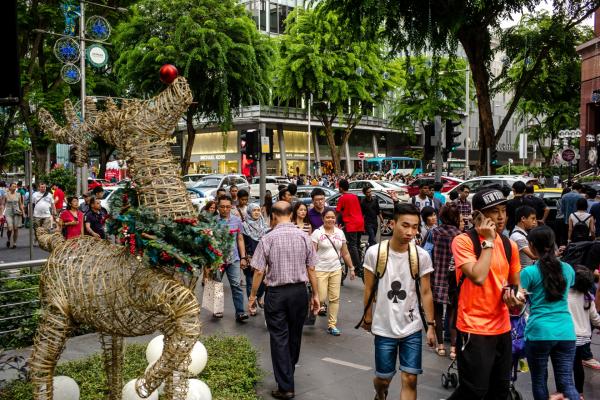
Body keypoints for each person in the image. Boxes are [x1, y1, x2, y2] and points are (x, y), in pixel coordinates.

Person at [448, 188, 522, 400]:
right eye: (493, 212)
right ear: (477, 216)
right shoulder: (463, 241)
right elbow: (478, 276)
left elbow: (515, 285)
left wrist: (515, 298)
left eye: (503, 210)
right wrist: (488, 241)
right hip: (474, 328)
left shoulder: (510, 245)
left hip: (502, 327)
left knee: (499, 391)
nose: (500, 217)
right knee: (474, 391)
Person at [360, 203, 436, 400]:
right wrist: (367, 317)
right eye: (405, 225)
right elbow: (368, 289)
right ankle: (380, 393)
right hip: (384, 327)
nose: (410, 232)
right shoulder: (374, 253)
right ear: (392, 224)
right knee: (383, 379)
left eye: (415, 226)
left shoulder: (421, 256)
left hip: (412, 326)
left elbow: (426, 291)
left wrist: (431, 325)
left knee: (410, 378)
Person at [248, 201, 319, 400]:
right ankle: (288, 374)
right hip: (299, 293)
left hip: (276, 294)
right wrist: (315, 295)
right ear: (290, 214)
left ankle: (286, 385)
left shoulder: (267, 239)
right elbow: (311, 269)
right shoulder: (304, 237)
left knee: (279, 338)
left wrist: (253, 296)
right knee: (295, 335)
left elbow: (259, 271)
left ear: (274, 216)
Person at [520, 225, 578, 400]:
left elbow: (519, 298)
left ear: (531, 245)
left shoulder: (529, 272)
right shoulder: (568, 269)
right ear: (553, 244)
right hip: (566, 331)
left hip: (539, 331)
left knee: (539, 381)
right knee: (567, 383)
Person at [311, 209, 355, 336]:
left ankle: (332, 325)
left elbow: (345, 252)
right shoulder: (317, 233)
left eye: (333, 217)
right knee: (322, 297)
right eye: (328, 217)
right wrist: (310, 271)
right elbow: (312, 254)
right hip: (320, 270)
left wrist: (351, 267)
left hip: (336, 269)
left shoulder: (340, 233)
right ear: (323, 218)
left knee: (335, 298)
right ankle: (313, 301)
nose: (330, 220)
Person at [430, 203, 462, 360]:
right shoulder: (459, 235)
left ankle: (441, 346)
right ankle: (454, 349)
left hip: (436, 276)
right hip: (453, 280)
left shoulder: (434, 232)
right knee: (452, 313)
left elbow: (425, 252)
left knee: (437, 312)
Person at [568, 265, 600, 399]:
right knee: (578, 366)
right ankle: (580, 393)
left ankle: (568, 392)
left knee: (567, 367)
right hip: (584, 338)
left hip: (569, 337)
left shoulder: (565, 296)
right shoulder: (588, 297)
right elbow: (595, 319)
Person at [216, 195, 249, 322]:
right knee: (217, 285)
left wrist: (243, 257)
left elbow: (240, 239)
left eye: (228, 207)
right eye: (222, 207)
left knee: (236, 285)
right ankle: (217, 310)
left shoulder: (237, 220)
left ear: (231, 207)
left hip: (234, 258)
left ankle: (240, 312)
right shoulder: (213, 221)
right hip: (217, 260)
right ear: (218, 207)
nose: (225, 209)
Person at [242, 203, 268, 315]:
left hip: (263, 257)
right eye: (254, 210)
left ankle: (258, 296)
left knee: (263, 282)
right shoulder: (244, 226)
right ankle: (251, 303)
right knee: (250, 281)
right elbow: (242, 242)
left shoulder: (264, 225)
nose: (257, 212)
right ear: (249, 212)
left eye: (258, 210)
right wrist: (244, 257)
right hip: (250, 257)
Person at [336, 179, 365, 277]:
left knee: (352, 245)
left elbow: (338, 211)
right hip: (360, 222)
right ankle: (359, 263)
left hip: (351, 223)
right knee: (356, 245)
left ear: (340, 188)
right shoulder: (354, 196)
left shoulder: (342, 198)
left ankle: (358, 267)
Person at [2, 182, 24, 248]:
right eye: (13, 186)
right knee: (10, 228)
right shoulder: (5, 195)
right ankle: (8, 239)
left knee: (16, 228)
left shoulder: (18, 194)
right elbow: (3, 204)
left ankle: (14, 243)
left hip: (16, 212)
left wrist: (23, 212)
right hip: (8, 212)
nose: (14, 188)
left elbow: (20, 204)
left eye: (15, 186)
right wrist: (1, 214)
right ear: (10, 187)